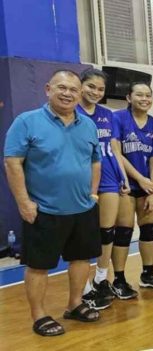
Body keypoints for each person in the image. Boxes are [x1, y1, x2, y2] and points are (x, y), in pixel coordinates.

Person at [5, 70, 102, 336]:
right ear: (48, 89)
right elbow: (13, 163)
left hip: (83, 208)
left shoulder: (88, 125)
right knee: (39, 266)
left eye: (73, 89)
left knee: (82, 259)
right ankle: (39, 315)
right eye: (62, 87)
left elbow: (95, 161)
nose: (68, 93)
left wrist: (93, 194)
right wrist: (24, 202)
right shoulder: (27, 122)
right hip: (44, 209)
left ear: (80, 94)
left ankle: (75, 304)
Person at [76, 68, 130, 310]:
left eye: (100, 89)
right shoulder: (72, 112)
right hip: (82, 180)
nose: (96, 92)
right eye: (91, 87)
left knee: (107, 231)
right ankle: (83, 286)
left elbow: (115, 149)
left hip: (109, 177)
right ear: (80, 85)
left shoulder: (108, 115)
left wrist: (123, 175)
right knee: (85, 234)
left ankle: (100, 278)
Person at [112, 82, 153, 298]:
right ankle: (118, 279)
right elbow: (117, 153)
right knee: (124, 231)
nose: (144, 98)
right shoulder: (118, 118)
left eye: (148, 95)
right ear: (129, 97)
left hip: (150, 186)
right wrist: (140, 179)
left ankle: (148, 274)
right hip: (126, 185)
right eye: (139, 95)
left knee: (149, 229)